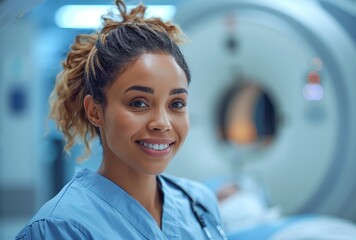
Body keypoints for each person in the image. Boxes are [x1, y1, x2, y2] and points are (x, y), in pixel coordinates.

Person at [15, 1, 227, 239]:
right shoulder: (60, 227)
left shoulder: (199, 202)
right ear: (95, 111)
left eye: (176, 104)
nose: (162, 122)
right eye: (138, 103)